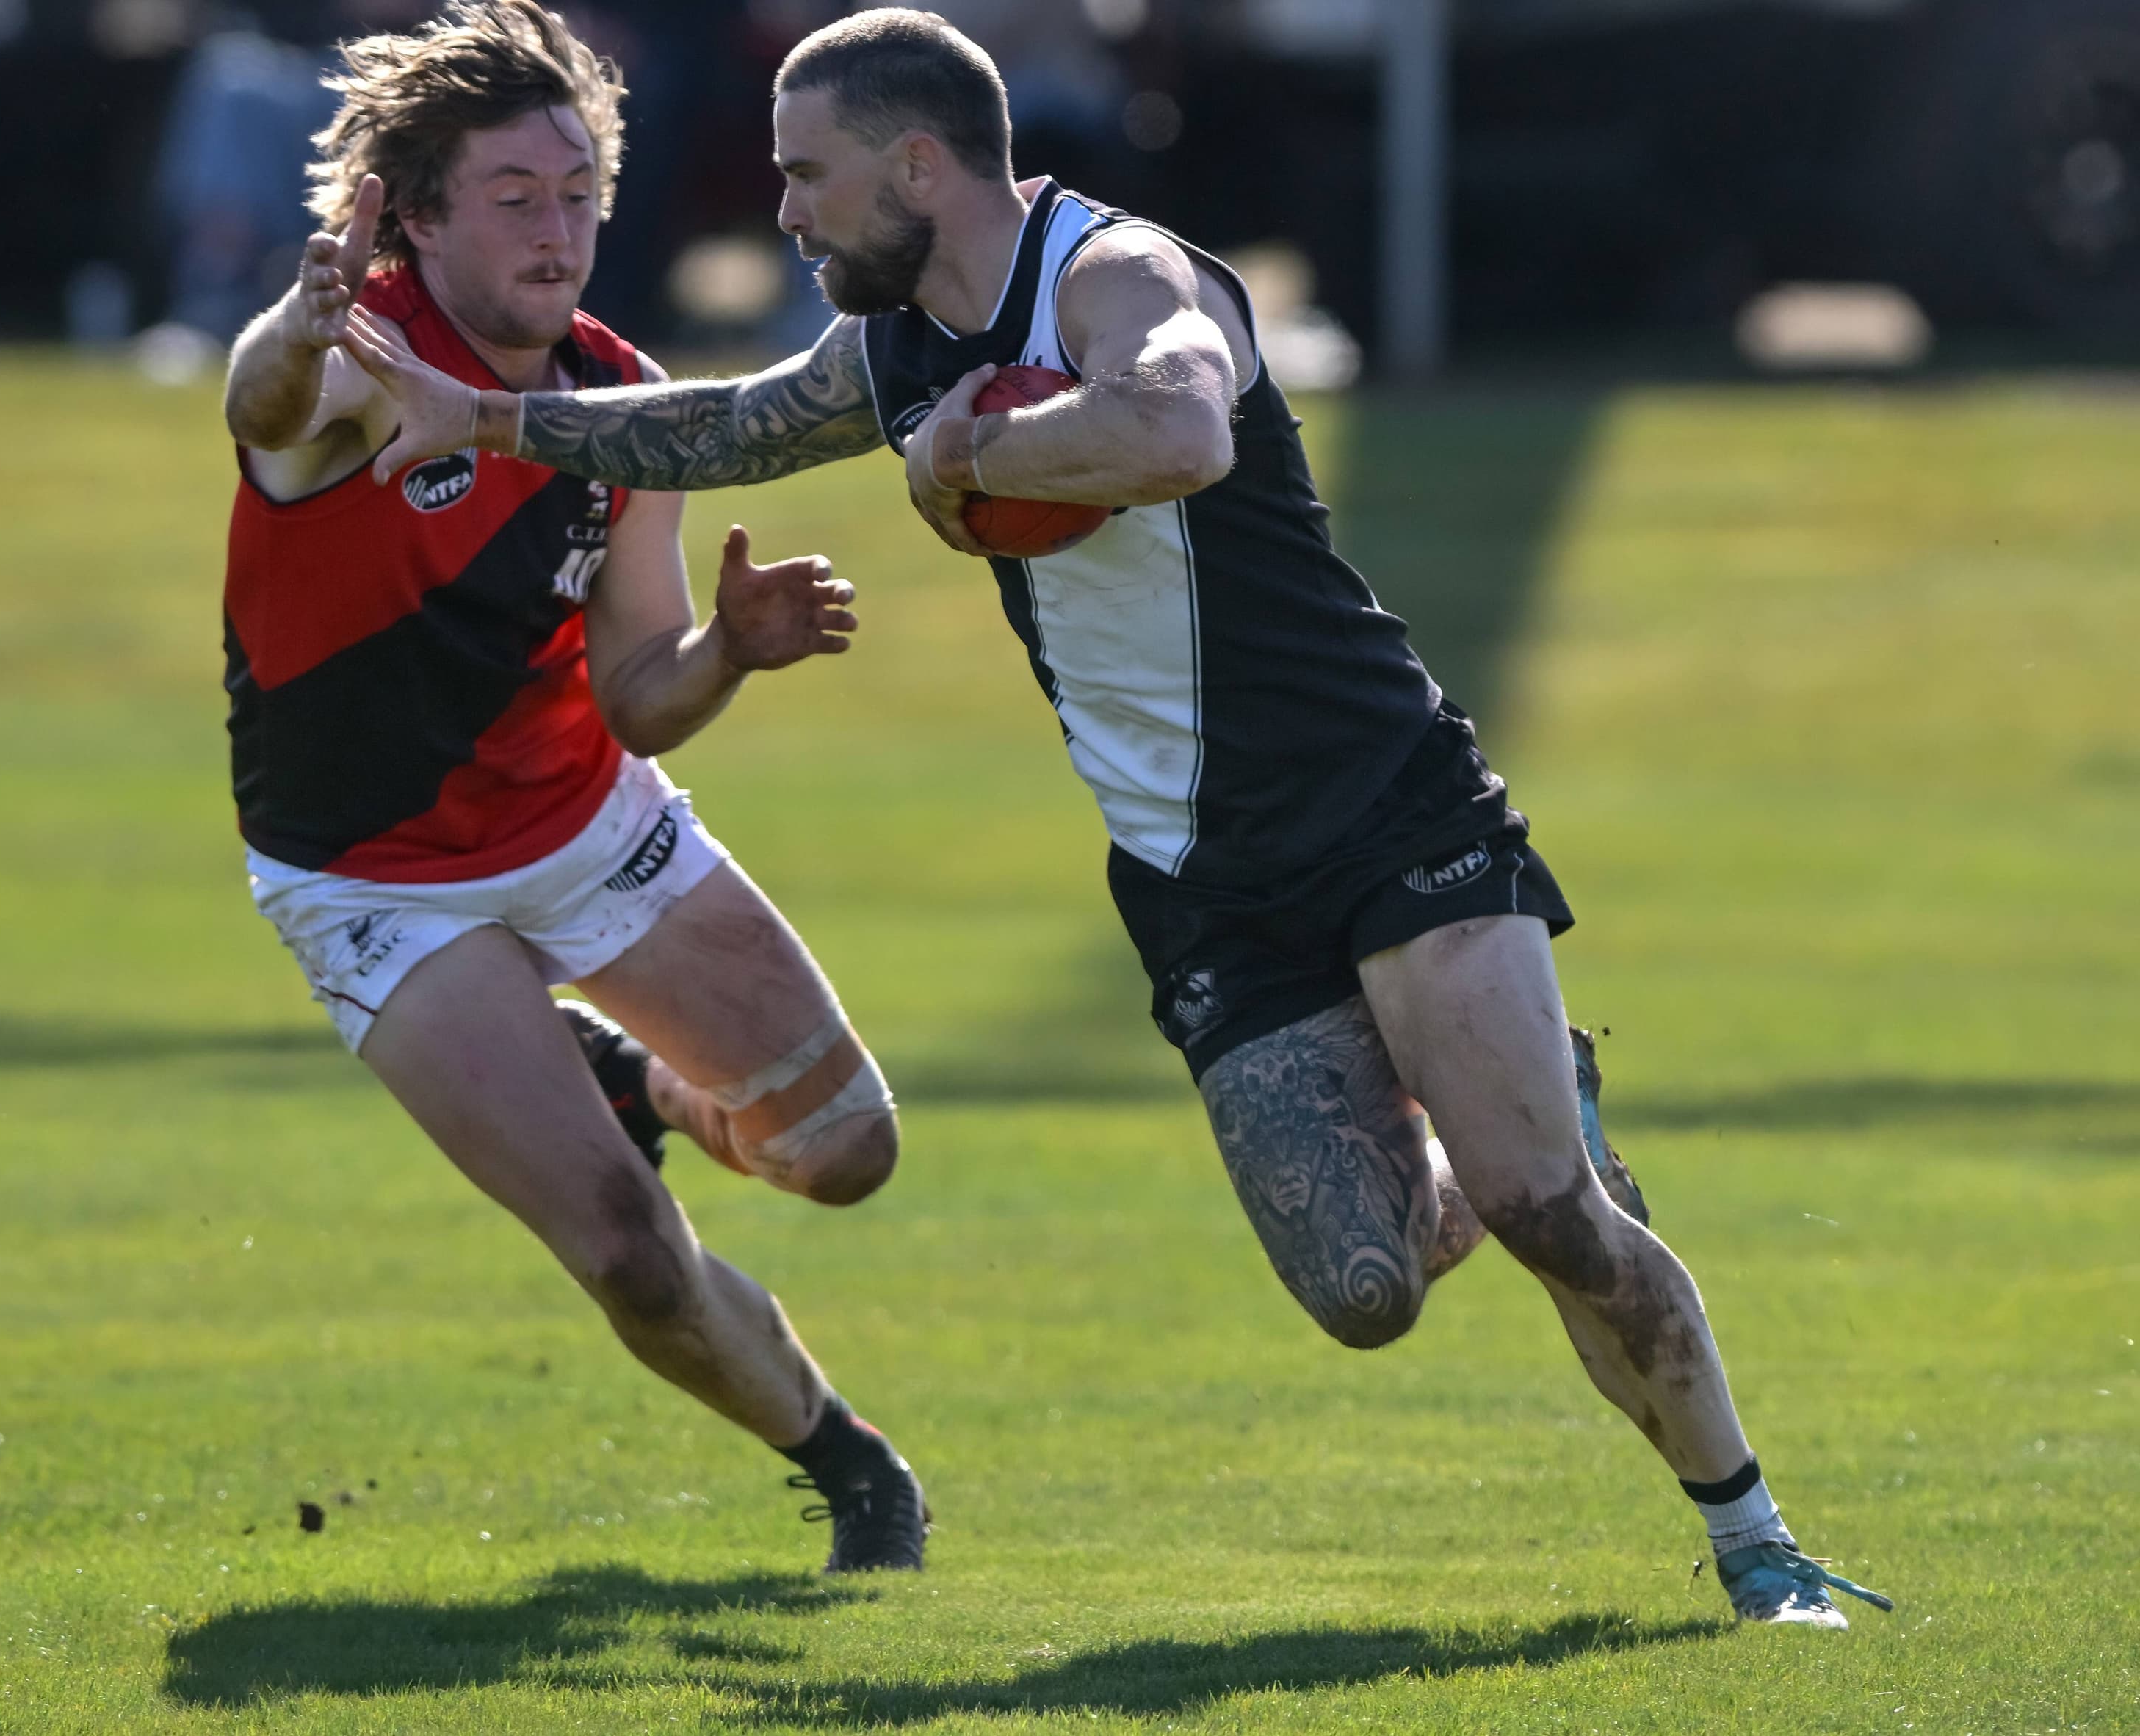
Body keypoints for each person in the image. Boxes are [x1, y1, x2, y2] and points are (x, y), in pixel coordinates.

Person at [341, 8, 1891, 1625]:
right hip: (1195, 874)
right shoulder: (889, 348)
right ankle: (1522, 1104)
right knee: (1364, 1294)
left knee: (1550, 1214)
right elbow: (730, 428)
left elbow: (1181, 428)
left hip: (1383, 803)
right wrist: (495, 423)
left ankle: (1757, 1547)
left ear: (918, 165)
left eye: (811, 176)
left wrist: (982, 452)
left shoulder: (1119, 279)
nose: (784, 210)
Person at [218, 0, 926, 1572]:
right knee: (629, 1251)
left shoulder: (614, 394)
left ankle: (645, 1079)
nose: (561, 230)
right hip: (375, 886)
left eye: (581, 194)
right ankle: (846, 1460)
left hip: (590, 830)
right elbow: (262, 405)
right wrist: (296, 317)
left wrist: (729, 652)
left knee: (849, 1155)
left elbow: (637, 696)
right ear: (413, 216)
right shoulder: (355, 361)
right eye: (517, 198)